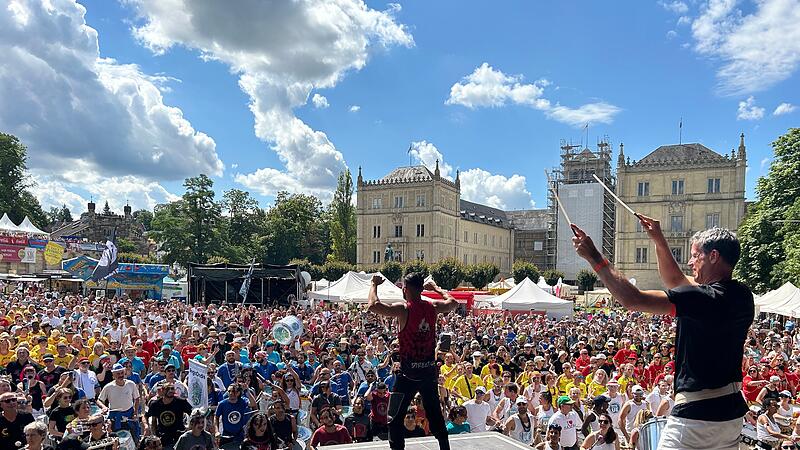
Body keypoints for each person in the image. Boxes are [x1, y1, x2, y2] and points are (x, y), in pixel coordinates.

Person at [572, 220, 753, 450]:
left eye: (695, 256)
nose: (690, 262)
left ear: (713, 256)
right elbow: (675, 281)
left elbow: (632, 299)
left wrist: (594, 257)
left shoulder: (703, 299)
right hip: (730, 415)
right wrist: (659, 240)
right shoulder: (742, 295)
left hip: (696, 419)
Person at [366, 273, 458, 450]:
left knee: (394, 417)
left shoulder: (404, 309)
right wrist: (436, 288)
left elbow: (373, 305)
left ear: (405, 289)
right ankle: (444, 447)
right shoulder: (433, 306)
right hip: (428, 374)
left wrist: (374, 284)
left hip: (408, 376)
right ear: (422, 288)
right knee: (435, 415)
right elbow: (453, 303)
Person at [98, 364, 141, 440]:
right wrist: (104, 407)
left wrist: (135, 412)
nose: (120, 375)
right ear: (113, 375)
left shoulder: (131, 384)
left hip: (129, 415)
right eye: (118, 374)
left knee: (134, 437)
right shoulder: (108, 387)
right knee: (116, 439)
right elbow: (99, 400)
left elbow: (137, 398)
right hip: (115, 417)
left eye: (122, 373)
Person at [146, 382, 193, 449]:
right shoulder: (155, 404)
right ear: (162, 390)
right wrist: (154, 435)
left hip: (179, 436)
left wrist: (188, 429)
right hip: (163, 437)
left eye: (172, 388)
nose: (170, 390)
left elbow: (193, 414)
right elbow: (153, 421)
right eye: (168, 388)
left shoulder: (181, 402)